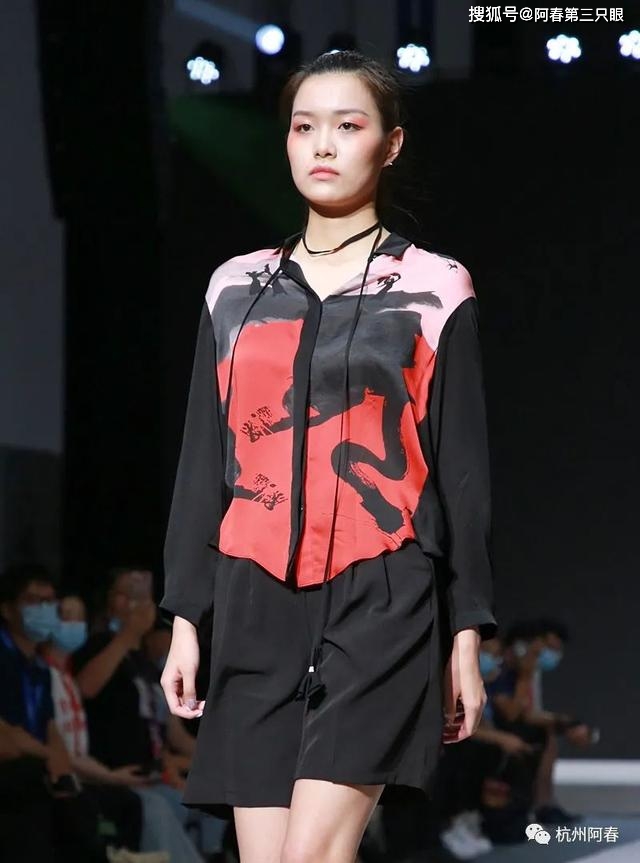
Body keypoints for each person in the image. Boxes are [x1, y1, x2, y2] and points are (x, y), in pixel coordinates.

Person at [160, 50, 498, 863]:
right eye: (304, 126)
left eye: (348, 126)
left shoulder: (434, 287)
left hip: (383, 591)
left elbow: (460, 471)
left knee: (310, 855)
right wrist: (185, 617)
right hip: (254, 594)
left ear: (390, 144)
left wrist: (465, 635)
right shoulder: (234, 288)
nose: (322, 144)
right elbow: (204, 460)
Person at [73, 565, 227, 862]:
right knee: (161, 811)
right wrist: (126, 635)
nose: (134, 603)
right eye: (125, 594)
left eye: (141, 596)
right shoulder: (98, 645)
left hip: (156, 776)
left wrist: (216, 761)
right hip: (118, 777)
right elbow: (86, 687)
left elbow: (173, 733)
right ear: (108, 600)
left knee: (213, 801)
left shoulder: (145, 665)